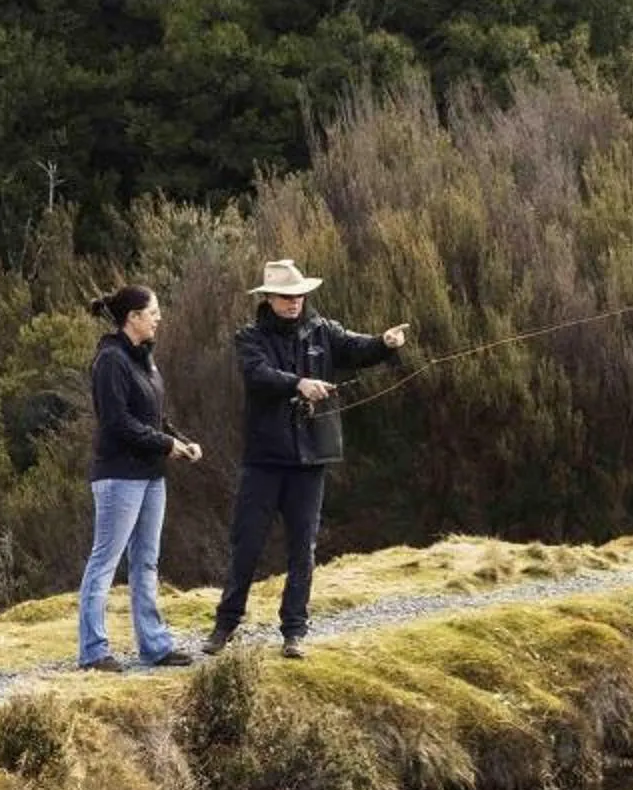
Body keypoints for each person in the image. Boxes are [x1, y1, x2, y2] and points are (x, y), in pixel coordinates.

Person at [206, 259, 407, 660]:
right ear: (268, 298)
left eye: (299, 295)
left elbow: (357, 348)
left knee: (303, 548)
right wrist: (299, 384)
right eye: (285, 296)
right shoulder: (249, 337)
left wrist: (384, 343)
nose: (294, 301)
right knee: (247, 544)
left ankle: (294, 631)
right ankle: (224, 625)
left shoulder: (323, 330)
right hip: (264, 460)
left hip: (311, 459)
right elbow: (257, 375)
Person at [78, 284, 204, 670]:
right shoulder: (110, 360)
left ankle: (155, 646)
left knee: (146, 562)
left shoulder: (145, 359)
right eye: (152, 312)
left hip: (151, 475)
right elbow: (117, 422)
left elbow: (154, 416)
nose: (158, 318)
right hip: (119, 476)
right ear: (132, 317)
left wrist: (181, 441)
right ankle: (93, 651)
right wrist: (166, 444)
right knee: (105, 561)